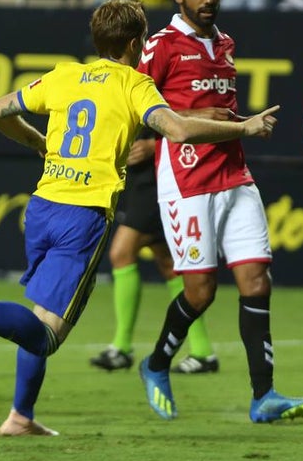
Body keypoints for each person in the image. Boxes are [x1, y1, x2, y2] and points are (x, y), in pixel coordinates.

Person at [0, 0, 283, 436]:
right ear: (134, 42)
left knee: (40, 312)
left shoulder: (65, 75)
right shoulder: (132, 84)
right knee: (46, 335)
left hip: (43, 206)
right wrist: (245, 128)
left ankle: (20, 416)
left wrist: (37, 143)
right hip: (82, 217)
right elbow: (178, 129)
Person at [136, 0, 303, 424]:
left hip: (235, 175)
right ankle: (156, 364)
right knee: (200, 293)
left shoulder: (225, 45)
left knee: (257, 281)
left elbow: (220, 113)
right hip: (186, 182)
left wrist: (240, 126)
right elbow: (137, 105)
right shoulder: (160, 46)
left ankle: (264, 396)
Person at [89, 129, 219, 374]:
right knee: (170, 264)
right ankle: (203, 352)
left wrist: (155, 145)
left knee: (121, 253)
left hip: (160, 176)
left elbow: (191, 122)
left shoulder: (164, 90)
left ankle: (121, 347)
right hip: (136, 179)